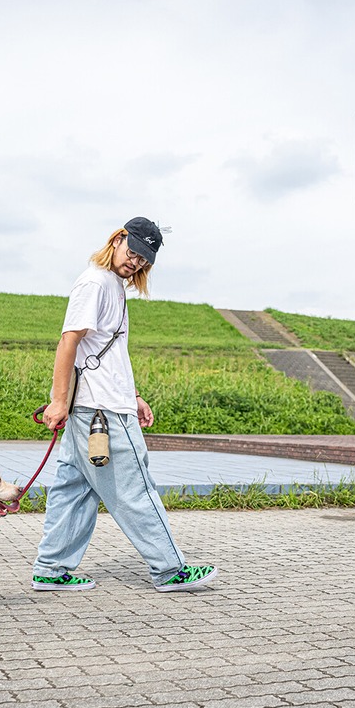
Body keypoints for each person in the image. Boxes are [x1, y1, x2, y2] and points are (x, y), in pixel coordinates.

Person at [31, 217, 217, 592]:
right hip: (102, 412)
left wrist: (133, 396)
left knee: (74, 490)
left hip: (100, 405)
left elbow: (106, 353)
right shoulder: (95, 281)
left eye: (143, 260)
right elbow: (69, 342)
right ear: (117, 239)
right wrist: (56, 401)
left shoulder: (113, 286)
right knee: (135, 488)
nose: (135, 263)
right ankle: (169, 569)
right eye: (132, 252)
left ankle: (51, 570)